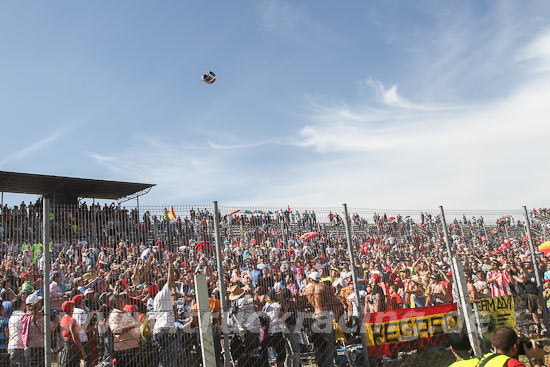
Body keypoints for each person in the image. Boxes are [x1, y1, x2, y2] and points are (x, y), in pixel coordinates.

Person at [449, 326, 545, 367]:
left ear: (493, 345)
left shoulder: (484, 360)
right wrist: (535, 361)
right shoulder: (512, 364)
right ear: (515, 347)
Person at [304, 271, 336, 367]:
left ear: (310, 279)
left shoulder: (307, 290)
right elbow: (329, 301)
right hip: (324, 314)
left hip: (315, 316)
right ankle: (329, 364)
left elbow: (308, 305)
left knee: (318, 344)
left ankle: (320, 364)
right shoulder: (323, 288)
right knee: (329, 344)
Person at [152, 253, 178, 367]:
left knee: (163, 359)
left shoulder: (157, 297)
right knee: (170, 360)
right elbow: (170, 279)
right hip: (164, 330)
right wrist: (170, 263)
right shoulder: (163, 293)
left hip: (160, 330)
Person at [7, 296, 26, 367]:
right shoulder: (24, 316)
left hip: (11, 346)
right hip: (21, 347)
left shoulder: (11, 317)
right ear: (21, 305)